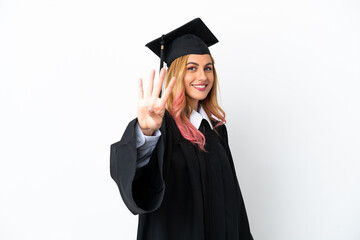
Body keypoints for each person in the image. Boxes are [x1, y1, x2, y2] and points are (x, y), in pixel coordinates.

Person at [110, 18, 254, 240]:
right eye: (191, 68)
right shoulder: (161, 128)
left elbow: (235, 202)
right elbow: (139, 184)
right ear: (175, 74)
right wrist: (146, 133)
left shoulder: (216, 131)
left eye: (208, 68)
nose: (202, 77)